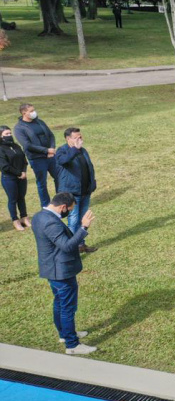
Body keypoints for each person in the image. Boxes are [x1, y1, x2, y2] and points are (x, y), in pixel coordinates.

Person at [32, 192, 97, 355]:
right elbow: (67, 246)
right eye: (69, 209)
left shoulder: (39, 216)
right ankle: (72, 345)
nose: (69, 212)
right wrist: (83, 228)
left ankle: (65, 334)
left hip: (52, 269)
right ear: (63, 207)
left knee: (59, 303)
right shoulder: (50, 223)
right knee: (67, 307)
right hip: (61, 271)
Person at [54, 127, 97, 253]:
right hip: (72, 194)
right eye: (76, 137)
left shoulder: (83, 151)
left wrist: (92, 183)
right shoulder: (62, 151)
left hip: (85, 192)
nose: (80, 139)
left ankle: (81, 244)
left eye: (80, 137)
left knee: (84, 220)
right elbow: (63, 161)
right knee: (73, 221)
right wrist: (74, 149)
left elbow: (89, 167)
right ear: (68, 139)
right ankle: (72, 247)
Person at [13, 103, 55, 208]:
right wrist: (46, 151)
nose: (34, 112)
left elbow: (51, 135)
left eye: (34, 110)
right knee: (42, 183)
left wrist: (52, 149)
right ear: (24, 113)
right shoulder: (19, 128)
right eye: (31, 111)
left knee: (60, 177)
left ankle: (62, 201)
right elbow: (27, 145)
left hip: (51, 156)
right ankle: (45, 205)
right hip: (37, 159)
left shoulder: (39, 122)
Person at [0, 125, 30, 231]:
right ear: (1, 136)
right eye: (6, 134)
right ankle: (15, 220)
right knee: (13, 200)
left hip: (21, 176)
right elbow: (4, 166)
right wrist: (18, 173)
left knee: (21, 198)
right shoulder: (1, 149)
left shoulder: (16, 146)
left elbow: (24, 160)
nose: (9, 135)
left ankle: (24, 217)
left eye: (10, 133)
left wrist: (23, 172)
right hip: (9, 178)